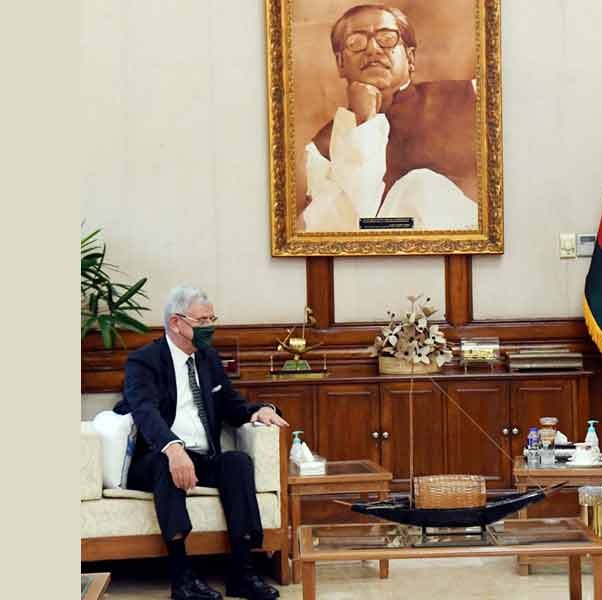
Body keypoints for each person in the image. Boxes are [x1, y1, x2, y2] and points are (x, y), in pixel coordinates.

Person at [114, 285, 289, 600]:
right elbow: (145, 411)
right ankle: (182, 580)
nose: (210, 327)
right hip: (155, 458)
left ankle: (242, 572)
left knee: (237, 462)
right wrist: (172, 447)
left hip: (202, 456)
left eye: (212, 319)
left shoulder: (208, 358)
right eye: (202, 320)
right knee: (168, 465)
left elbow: (233, 407)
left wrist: (261, 410)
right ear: (176, 323)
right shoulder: (144, 361)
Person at [303, 3, 478, 231]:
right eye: (356, 42)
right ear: (340, 64)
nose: (373, 49)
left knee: (421, 185)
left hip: (463, 248)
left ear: (410, 56)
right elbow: (349, 226)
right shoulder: (321, 149)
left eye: (387, 37)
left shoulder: (473, 97)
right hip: (377, 259)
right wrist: (364, 122)